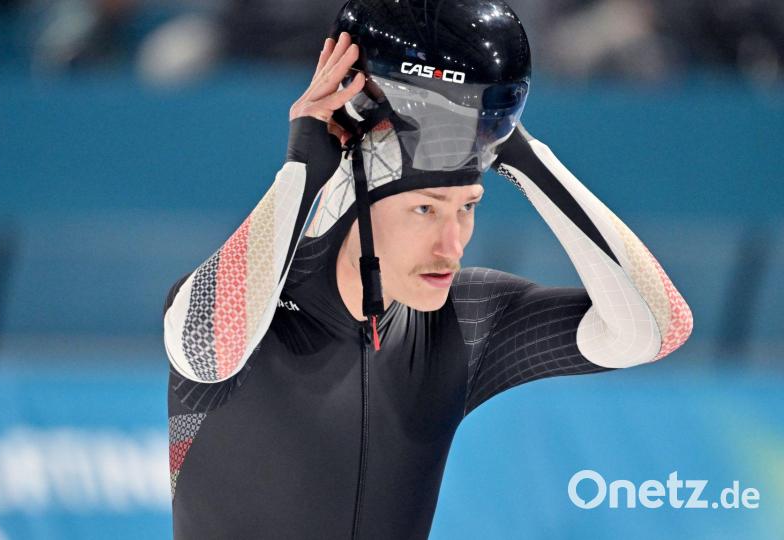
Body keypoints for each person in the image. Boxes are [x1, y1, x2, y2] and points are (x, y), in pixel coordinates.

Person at [162, 1, 693, 538]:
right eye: (426, 209)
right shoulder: (248, 309)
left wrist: (516, 147)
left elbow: (655, 328)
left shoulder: (465, 323)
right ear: (355, 195)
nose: (453, 242)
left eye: (468, 207)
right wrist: (304, 167)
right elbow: (207, 351)